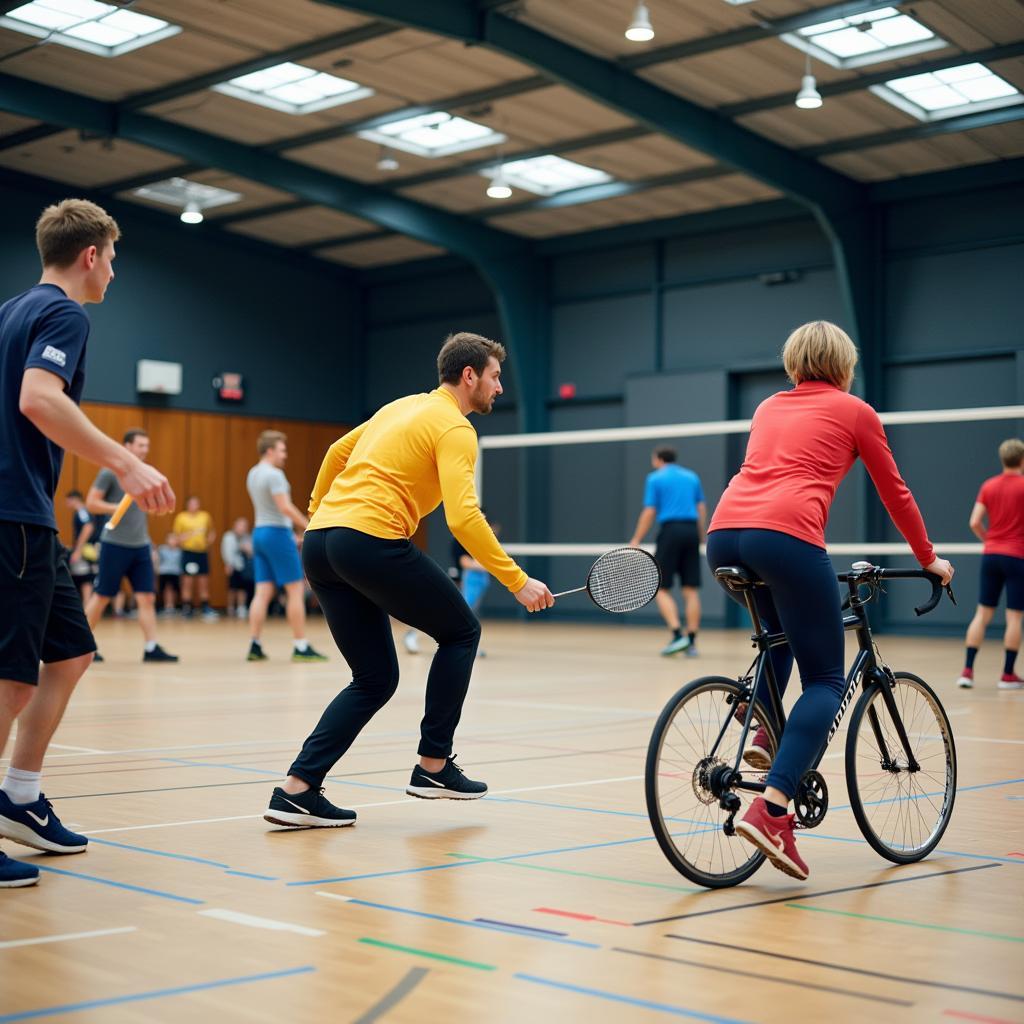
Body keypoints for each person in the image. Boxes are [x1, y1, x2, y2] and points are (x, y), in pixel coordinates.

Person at [264, 332, 553, 828]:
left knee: (375, 678)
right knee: (462, 632)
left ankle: (298, 789)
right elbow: (464, 520)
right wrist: (516, 580)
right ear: (469, 376)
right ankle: (433, 765)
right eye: (495, 377)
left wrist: (318, 512)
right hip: (369, 540)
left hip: (322, 543)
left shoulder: (400, 407)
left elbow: (336, 452)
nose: (499, 388)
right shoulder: (457, 429)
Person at [706, 320, 953, 881]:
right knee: (824, 680)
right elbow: (896, 492)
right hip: (787, 538)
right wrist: (927, 558)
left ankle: (768, 729)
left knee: (781, 638)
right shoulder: (856, 410)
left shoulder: (768, 406)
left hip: (724, 532)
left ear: (794, 364)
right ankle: (771, 811)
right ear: (846, 365)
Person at [0, 198, 174, 888]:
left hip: (30, 519)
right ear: (91, 255)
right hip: (13, 515)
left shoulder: (11, 310)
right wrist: (125, 462)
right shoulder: (64, 313)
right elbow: (39, 400)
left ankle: (19, 798)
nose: (114, 275)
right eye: (114, 259)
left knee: (69, 654)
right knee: (12, 678)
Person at [84, 428, 178, 663]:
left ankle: (151, 647)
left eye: (147, 446)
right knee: (103, 595)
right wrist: (115, 508)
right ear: (127, 446)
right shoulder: (110, 472)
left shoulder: (145, 474)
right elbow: (91, 503)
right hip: (114, 544)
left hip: (140, 545)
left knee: (146, 597)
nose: (145, 450)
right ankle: (82, 647)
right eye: (140, 445)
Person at [246, 430, 327, 663]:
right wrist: (309, 525)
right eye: (282, 450)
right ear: (269, 450)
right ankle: (300, 645)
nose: (285, 455)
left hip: (259, 533)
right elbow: (284, 507)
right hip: (276, 533)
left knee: (262, 592)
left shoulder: (252, 473)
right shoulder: (275, 475)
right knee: (295, 590)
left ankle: (255, 644)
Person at [957, 438, 1024, 691]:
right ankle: (1007, 675)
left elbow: (974, 521)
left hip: (991, 555)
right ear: (1022, 460)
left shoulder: (989, 485)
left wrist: (991, 541)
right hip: (1017, 556)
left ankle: (967, 671)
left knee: (982, 613)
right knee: (1014, 617)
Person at [629, 447, 706, 656]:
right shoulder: (692, 477)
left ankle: (677, 636)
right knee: (691, 590)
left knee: (661, 588)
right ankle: (691, 643)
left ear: (658, 459)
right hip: (691, 531)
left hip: (671, 531)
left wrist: (636, 539)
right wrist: (700, 535)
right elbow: (701, 508)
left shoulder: (655, 478)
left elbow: (650, 511)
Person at [173, 495, 218, 621]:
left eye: (197, 503)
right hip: (188, 552)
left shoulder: (205, 516)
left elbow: (211, 531)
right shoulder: (181, 517)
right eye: (192, 503)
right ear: (188, 505)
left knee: (203, 580)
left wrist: (210, 539)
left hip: (202, 552)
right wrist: (184, 538)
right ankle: (187, 607)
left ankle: (205, 607)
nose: (195, 505)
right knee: (187, 581)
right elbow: (176, 537)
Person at [65, 489, 97, 604]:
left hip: (86, 550)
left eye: (68, 500)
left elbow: (88, 527)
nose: (66, 503)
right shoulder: (82, 512)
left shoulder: (82, 512)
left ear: (74, 499)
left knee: (86, 578)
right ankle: (87, 604)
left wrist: (78, 550)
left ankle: (87, 605)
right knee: (85, 578)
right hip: (86, 549)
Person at [221, 516, 254, 618]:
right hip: (233, 566)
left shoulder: (247, 537)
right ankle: (230, 608)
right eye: (240, 525)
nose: (242, 528)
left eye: (244, 526)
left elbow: (251, 552)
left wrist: (247, 550)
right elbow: (226, 551)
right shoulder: (228, 537)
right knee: (232, 588)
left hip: (243, 567)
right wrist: (228, 564)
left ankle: (241, 607)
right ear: (235, 526)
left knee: (242, 588)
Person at [156, 532, 183, 616]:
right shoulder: (162, 549)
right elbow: (157, 559)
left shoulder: (180, 551)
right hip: (164, 572)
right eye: (170, 539)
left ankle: (173, 606)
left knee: (174, 589)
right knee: (165, 589)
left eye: (174, 539)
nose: (172, 541)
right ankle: (166, 606)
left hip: (175, 572)